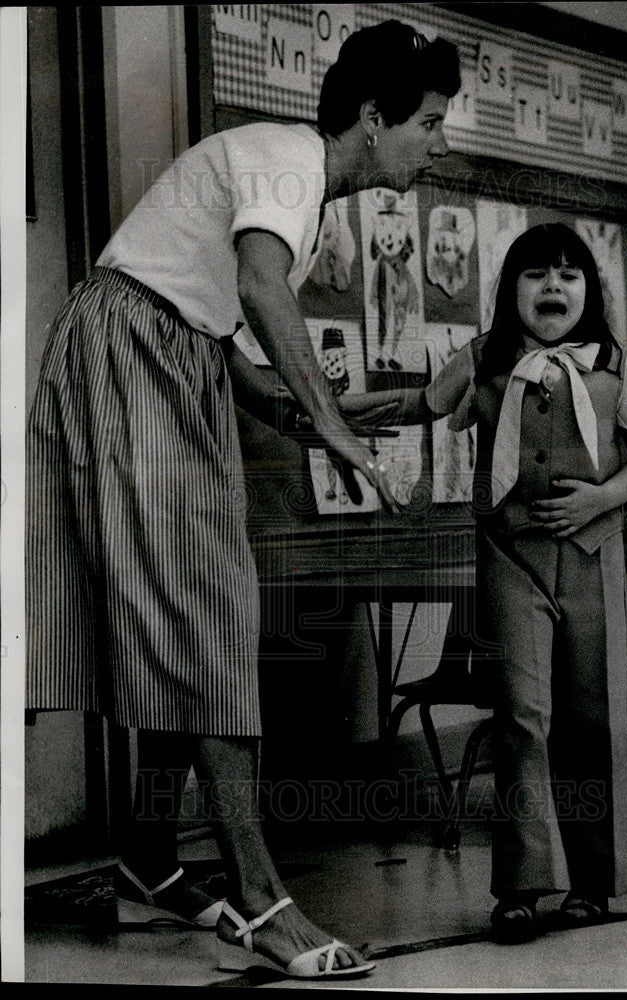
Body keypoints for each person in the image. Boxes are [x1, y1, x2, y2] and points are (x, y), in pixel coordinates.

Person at [26, 20, 460, 980]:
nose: (440, 144)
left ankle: (145, 858)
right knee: (208, 618)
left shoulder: (294, 191)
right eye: (428, 123)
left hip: (165, 357)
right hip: (129, 353)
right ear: (374, 116)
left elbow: (244, 362)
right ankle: (263, 903)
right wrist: (338, 434)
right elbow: (261, 294)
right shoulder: (286, 158)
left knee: (190, 622)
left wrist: (368, 413)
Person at [340, 223, 627, 942]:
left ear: (589, 290)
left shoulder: (611, 365)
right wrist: (329, 408)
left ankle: (593, 882)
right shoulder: (482, 360)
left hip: (592, 555)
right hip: (510, 558)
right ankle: (522, 885)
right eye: (534, 274)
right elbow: (422, 405)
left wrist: (600, 498)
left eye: (568, 274)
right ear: (507, 290)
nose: (553, 286)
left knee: (594, 717)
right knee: (522, 718)